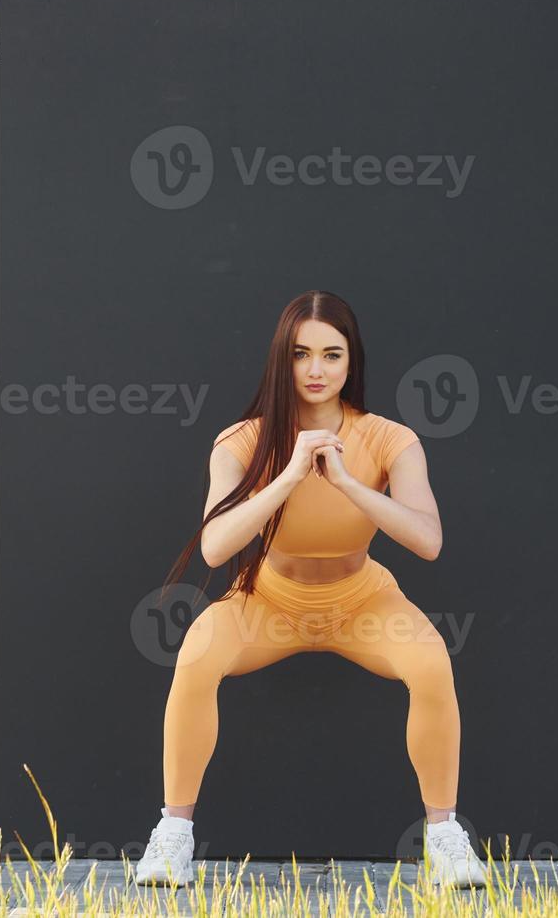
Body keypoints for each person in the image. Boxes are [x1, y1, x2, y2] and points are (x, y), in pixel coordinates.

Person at [131, 290, 489, 889]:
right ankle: (173, 834)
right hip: (267, 602)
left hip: (361, 601)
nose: (317, 370)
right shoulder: (241, 441)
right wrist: (291, 473)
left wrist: (347, 482)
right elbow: (217, 548)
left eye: (332, 354)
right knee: (195, 657)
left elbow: (428, 540)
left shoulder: (389, 439)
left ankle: (446, 838)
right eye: (302, 355)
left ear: (352, 363)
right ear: (282, 360)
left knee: (431, 663)